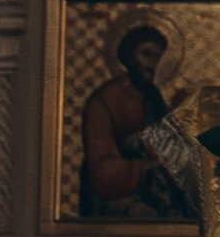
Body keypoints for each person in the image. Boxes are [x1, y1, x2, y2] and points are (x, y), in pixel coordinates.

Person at [79, 23, 189, 223]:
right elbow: (101, 170)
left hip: (154, 187)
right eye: (145, 54)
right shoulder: (104, 101)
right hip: (115, 193)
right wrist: (146, 168)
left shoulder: (153, 96)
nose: (151, 63)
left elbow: (166, 145)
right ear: (128, 55)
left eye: (156, 56)